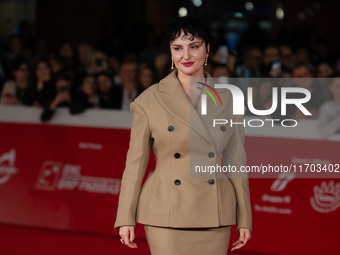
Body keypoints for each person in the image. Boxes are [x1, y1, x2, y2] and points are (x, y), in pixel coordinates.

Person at [114, 17, 252, 255]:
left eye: (194, 46)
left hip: (215, 211)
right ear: (170, 51)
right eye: (177, 48)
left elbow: (236, 162)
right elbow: (135, 164)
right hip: (166, 211)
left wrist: (244, 218)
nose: (185, 55)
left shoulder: (229, 100)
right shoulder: (149, 101)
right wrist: (125, 217)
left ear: (207, 48)